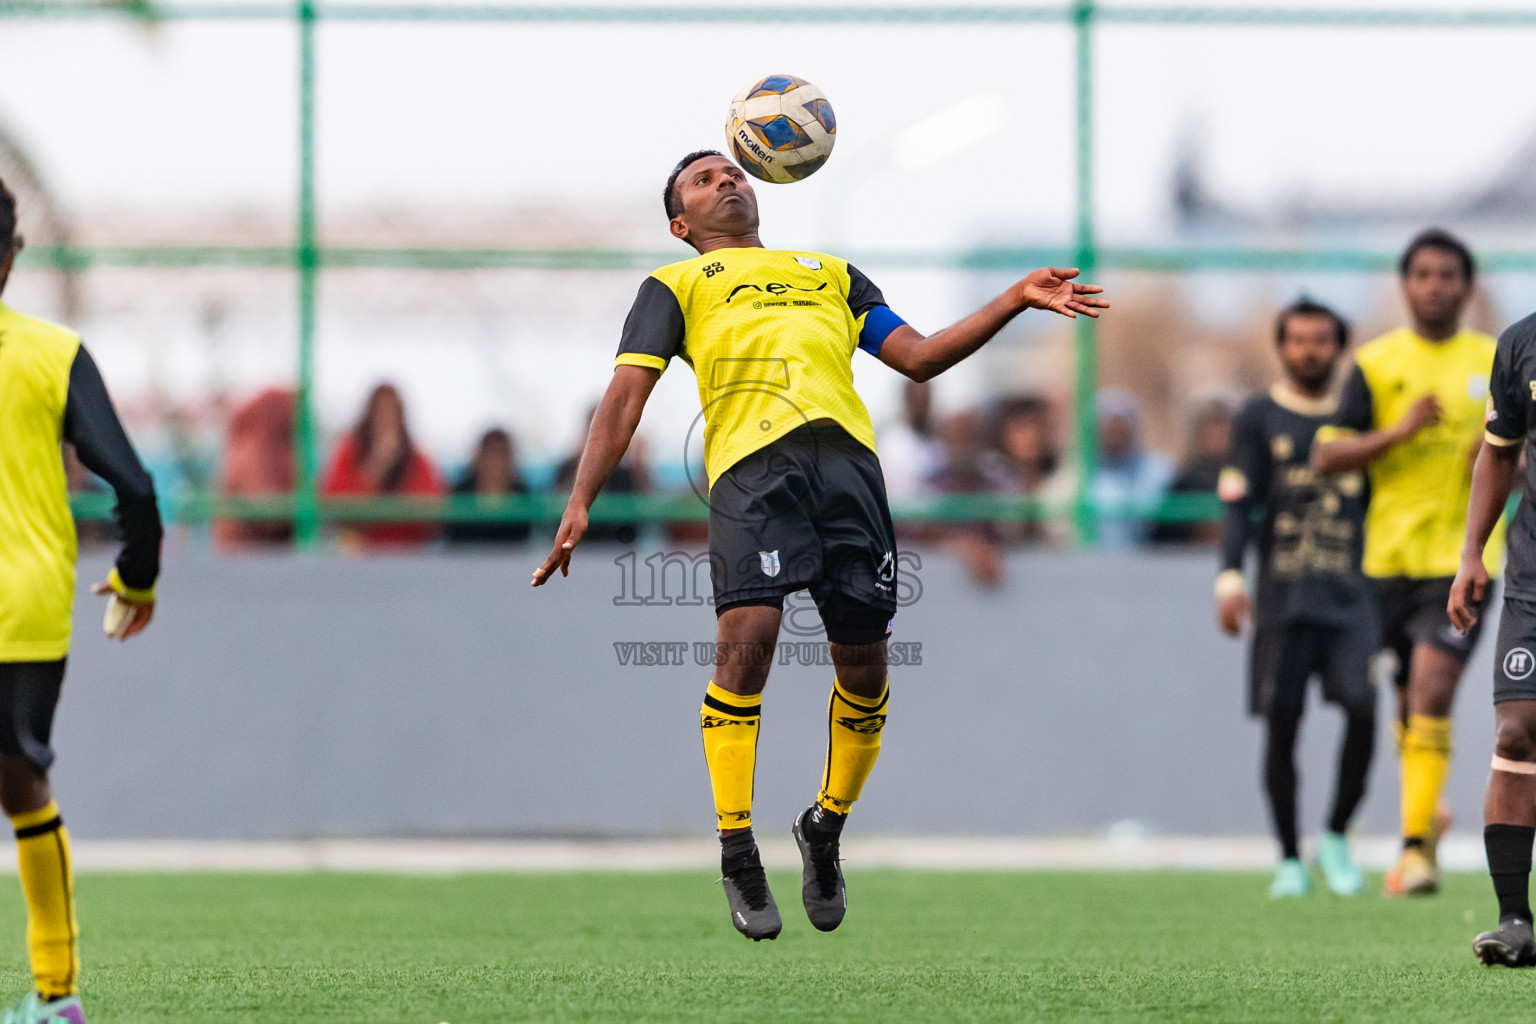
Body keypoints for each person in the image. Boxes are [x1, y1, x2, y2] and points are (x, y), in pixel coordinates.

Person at [531, 150, 1106, 941]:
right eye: (703, 180)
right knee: (748, 642)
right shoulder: (675, 286)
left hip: (849, 476)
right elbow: (627, 392)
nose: (726, 180)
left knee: (864, 667)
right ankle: (738, 848)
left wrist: (1012, 298)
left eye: (732, 171)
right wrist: (581, 499)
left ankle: (824, 827)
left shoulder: (830, 273)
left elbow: (922, 357)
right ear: (680, 223)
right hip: (752, 473)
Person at [0, 177, 162, 1024]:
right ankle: (57, 996)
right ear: (13, 256)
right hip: (26, 607)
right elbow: (134, 485)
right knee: (24, 786)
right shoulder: (54, 354)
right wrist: (138, 577)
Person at [1312, 229, 1498, 897]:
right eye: (1422, 274)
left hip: (1464, 562)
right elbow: (1326, 455)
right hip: (1382, 561)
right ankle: (1429, 810)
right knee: (1405, 703)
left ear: (1467, 286)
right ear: (1405, 285)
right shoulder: (1376, 363)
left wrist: (1502, 446)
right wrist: (1399, 432)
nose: (1435, 285)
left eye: (1448, 274)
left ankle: (1414, 848)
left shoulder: (1495, 361)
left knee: (1432, 689)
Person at [1216, 299, 1376, 899]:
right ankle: (1288, 855)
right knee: (1282, 725)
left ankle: (1335, 835)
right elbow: (1237, 504)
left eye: (1322, 340)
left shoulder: (1362, 415)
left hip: (1354, 594)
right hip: (1283, 597)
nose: (1310, 350)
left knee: (1363, 709)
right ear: (1282, 347)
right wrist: (1230, 577)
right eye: (1299, 340)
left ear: (1340, 347)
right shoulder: (1258, 417)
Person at [1453, 306, 1536, 964]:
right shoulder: (1521, 343)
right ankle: (1514, 920)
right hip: (1533, 576)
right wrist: (1471, 554)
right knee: (1516, 728)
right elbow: (1499, 451)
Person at [321, 383, 444, 550]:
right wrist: (377, 465)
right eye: (380, 411)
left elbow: (429, 507)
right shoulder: (348, 452)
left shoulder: (416, 458)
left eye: (392, 411)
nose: (386, 419)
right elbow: (337, 502)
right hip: (359, 554)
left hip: (406, 554)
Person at [554, 405, 649, 544]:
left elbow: (640, 519)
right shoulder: (567, 468)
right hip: (577, 549)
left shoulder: (624, 475)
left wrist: (640, 464)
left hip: (615, 549)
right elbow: (556, 514)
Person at [1093, 388, 1174, 549]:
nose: (1115, 430)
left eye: (1120, 424)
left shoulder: (1158, 471)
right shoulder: (1077, 479)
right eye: (1108, 424)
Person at [214, 387, 295, 549]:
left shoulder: (282, 448)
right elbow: (266, 513)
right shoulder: (250, 450)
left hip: (273, 554)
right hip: (249, 556)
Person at [1155, 400, 1235, 546]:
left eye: (1223, 429)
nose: (1217, 436)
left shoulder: (1248, 481)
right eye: (1209, 429)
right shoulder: (1183, 483)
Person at [445, 427, 533, 545]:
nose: (495, 461)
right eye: (490, 453)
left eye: (501, 454)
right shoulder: (460, 494)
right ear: (478, 457)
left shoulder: (522, 495)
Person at [876, 380, 941, 501]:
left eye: (925, 399)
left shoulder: (938, 444)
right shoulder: (892, 442)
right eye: (917, 399)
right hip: (902, 515)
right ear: (907, 399)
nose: (922, 406)